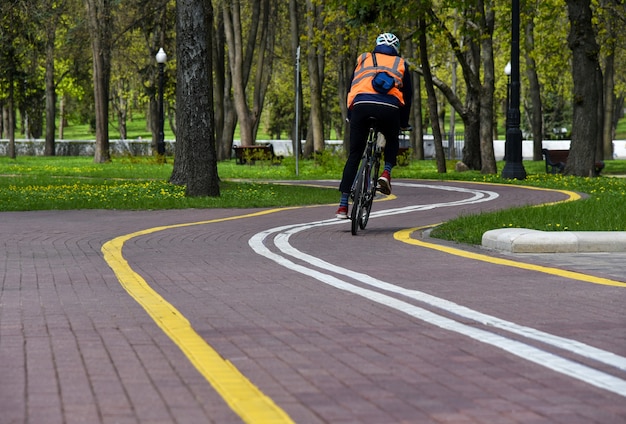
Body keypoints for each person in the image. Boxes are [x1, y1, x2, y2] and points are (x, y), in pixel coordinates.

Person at [336, 32, 412, 219]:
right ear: (396, 48)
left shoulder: (364, 58)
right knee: (392, 137)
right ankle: (386, 172)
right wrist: (403, 123)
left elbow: (351, 86)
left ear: (377, 45)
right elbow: (408, 96)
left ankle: (343, 205)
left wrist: (349, 115)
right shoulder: (401, 63)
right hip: (389, 108)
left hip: (361, 105)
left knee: (354, 155)